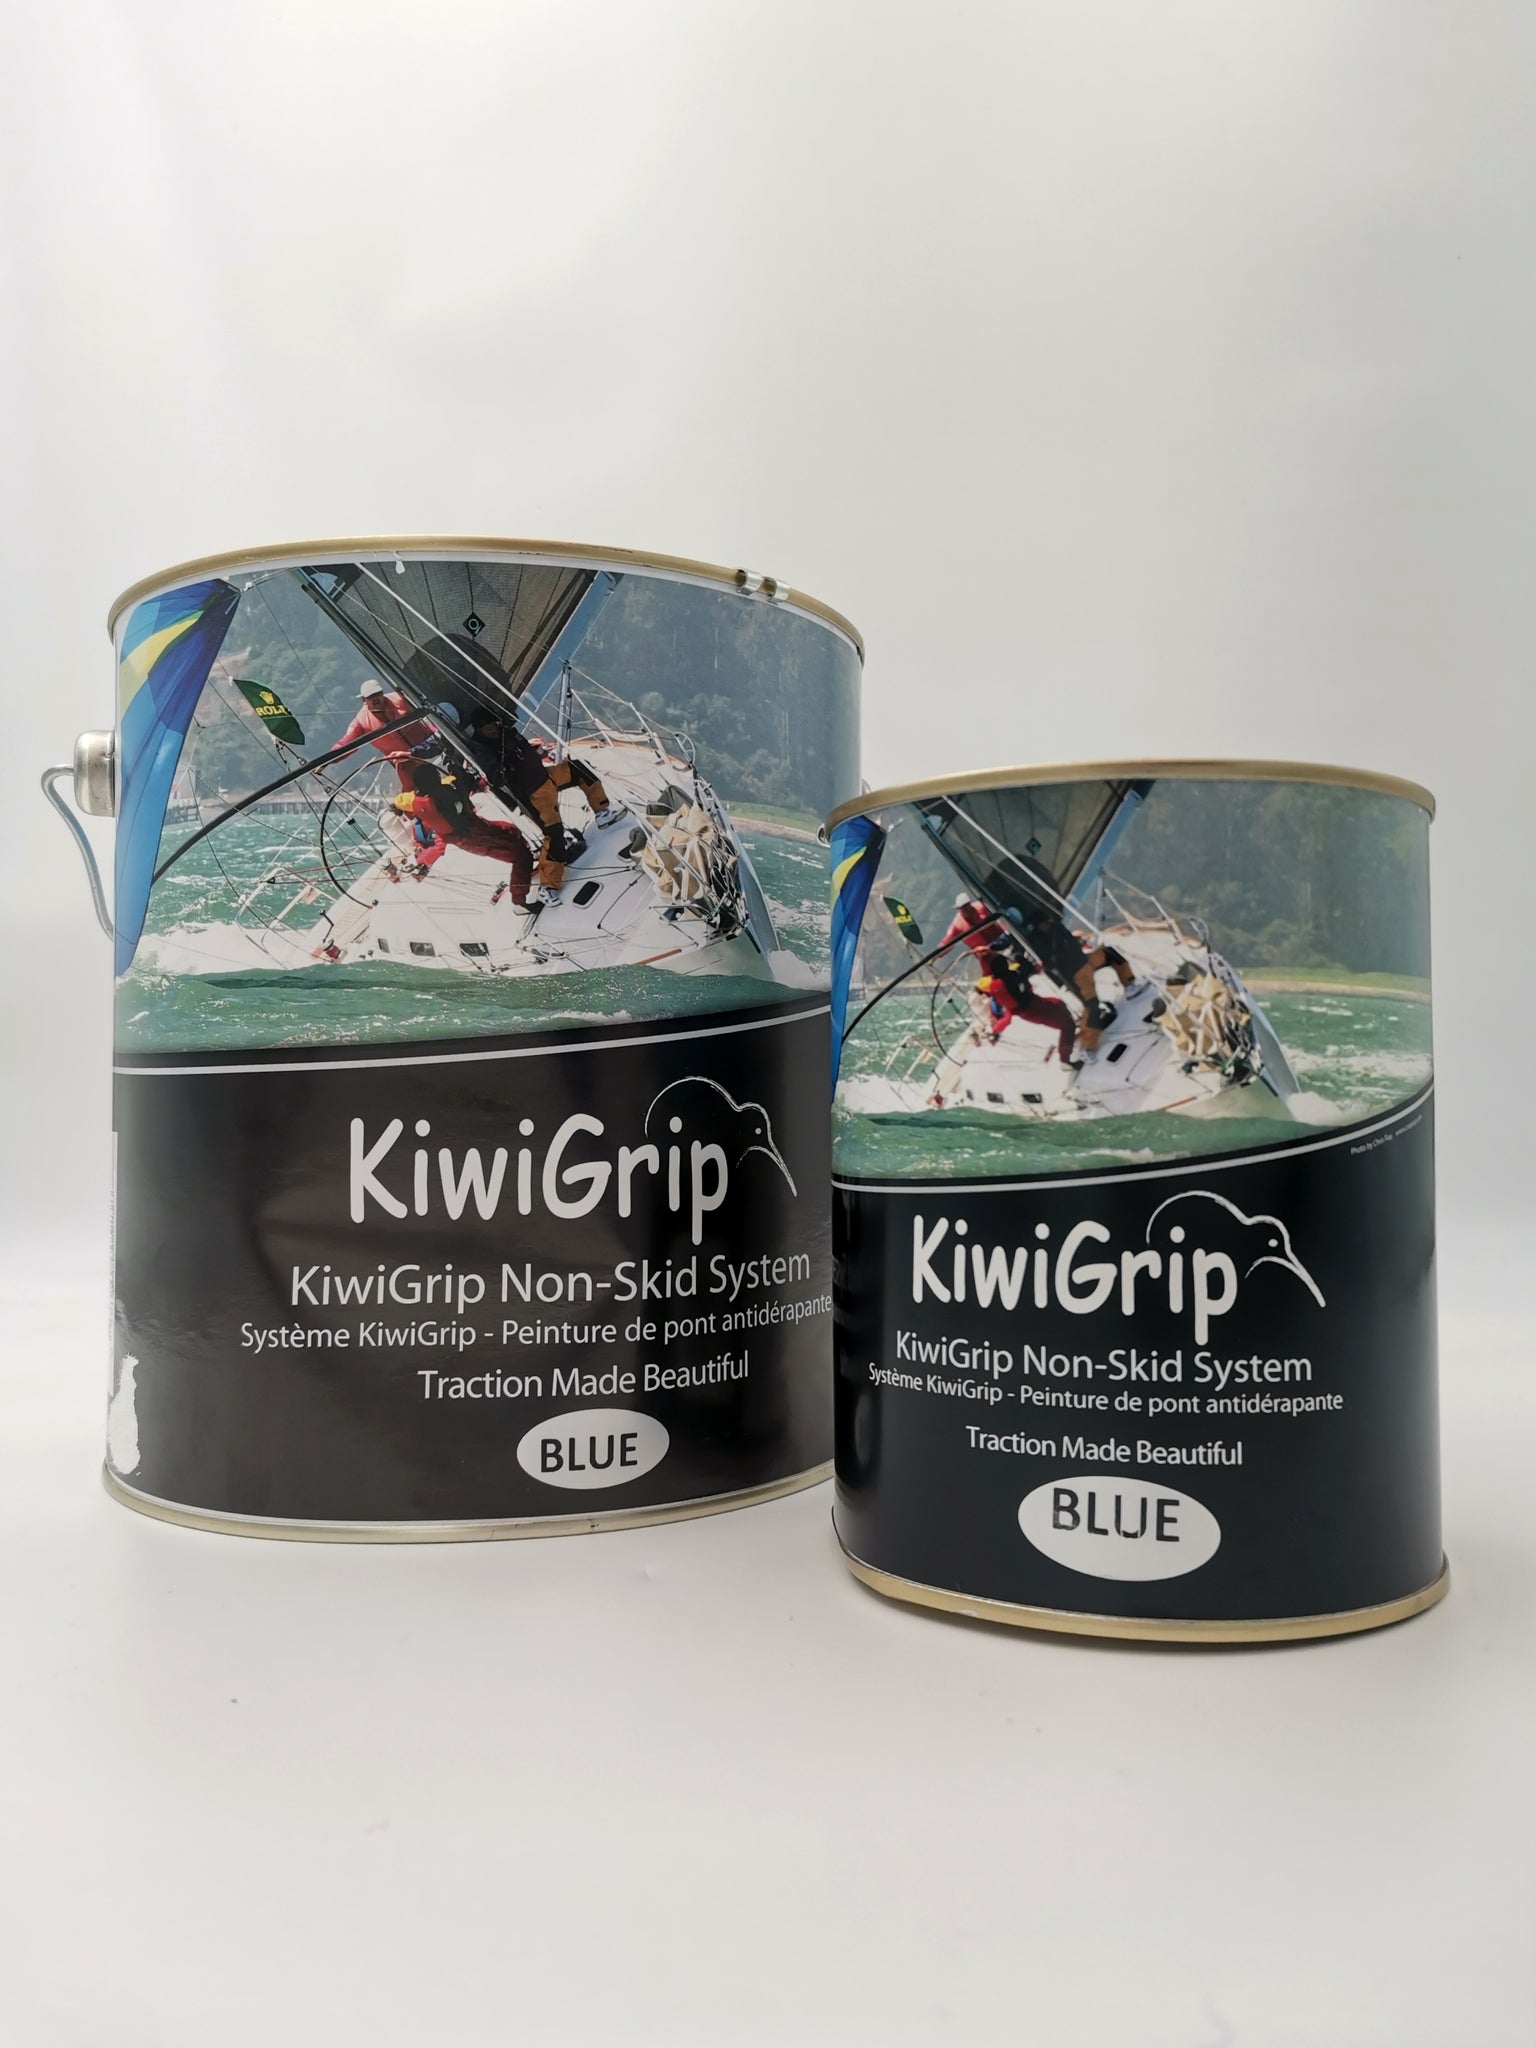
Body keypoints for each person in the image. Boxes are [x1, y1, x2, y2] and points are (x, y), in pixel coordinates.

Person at [448, 702, 618, 901]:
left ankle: (602, 813)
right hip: (534, 794)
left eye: (494, 725)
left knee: (580, 769)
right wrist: (501, 766)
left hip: (547, 777)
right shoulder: (484, 749)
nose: (493, 730)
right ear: (479, 731)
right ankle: (548, 888)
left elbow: (520, 741)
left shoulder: (506, 732)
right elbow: (496, 779)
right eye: (488, 729)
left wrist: (537, 752)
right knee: (554, 836)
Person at [390, 763, 532, 907]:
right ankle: (519, 902)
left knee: (511, 830)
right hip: (474, 834)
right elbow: (464, 808)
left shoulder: (417, 802)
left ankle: (522, 873)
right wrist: (460, 785)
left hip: (467, 834)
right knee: (522, 856)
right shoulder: (442, 794)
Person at [337, 679, 437, 789]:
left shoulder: (401, 698)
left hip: (431, 747)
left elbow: (430, 710)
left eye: (377, 694)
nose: (375, 699)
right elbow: (344, 745)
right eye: (370, 697)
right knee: (415, 791)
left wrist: (438, 732)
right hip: (406, 765)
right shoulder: (360, 722)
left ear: (382, 693)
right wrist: (327, 762)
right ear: (364, 700)